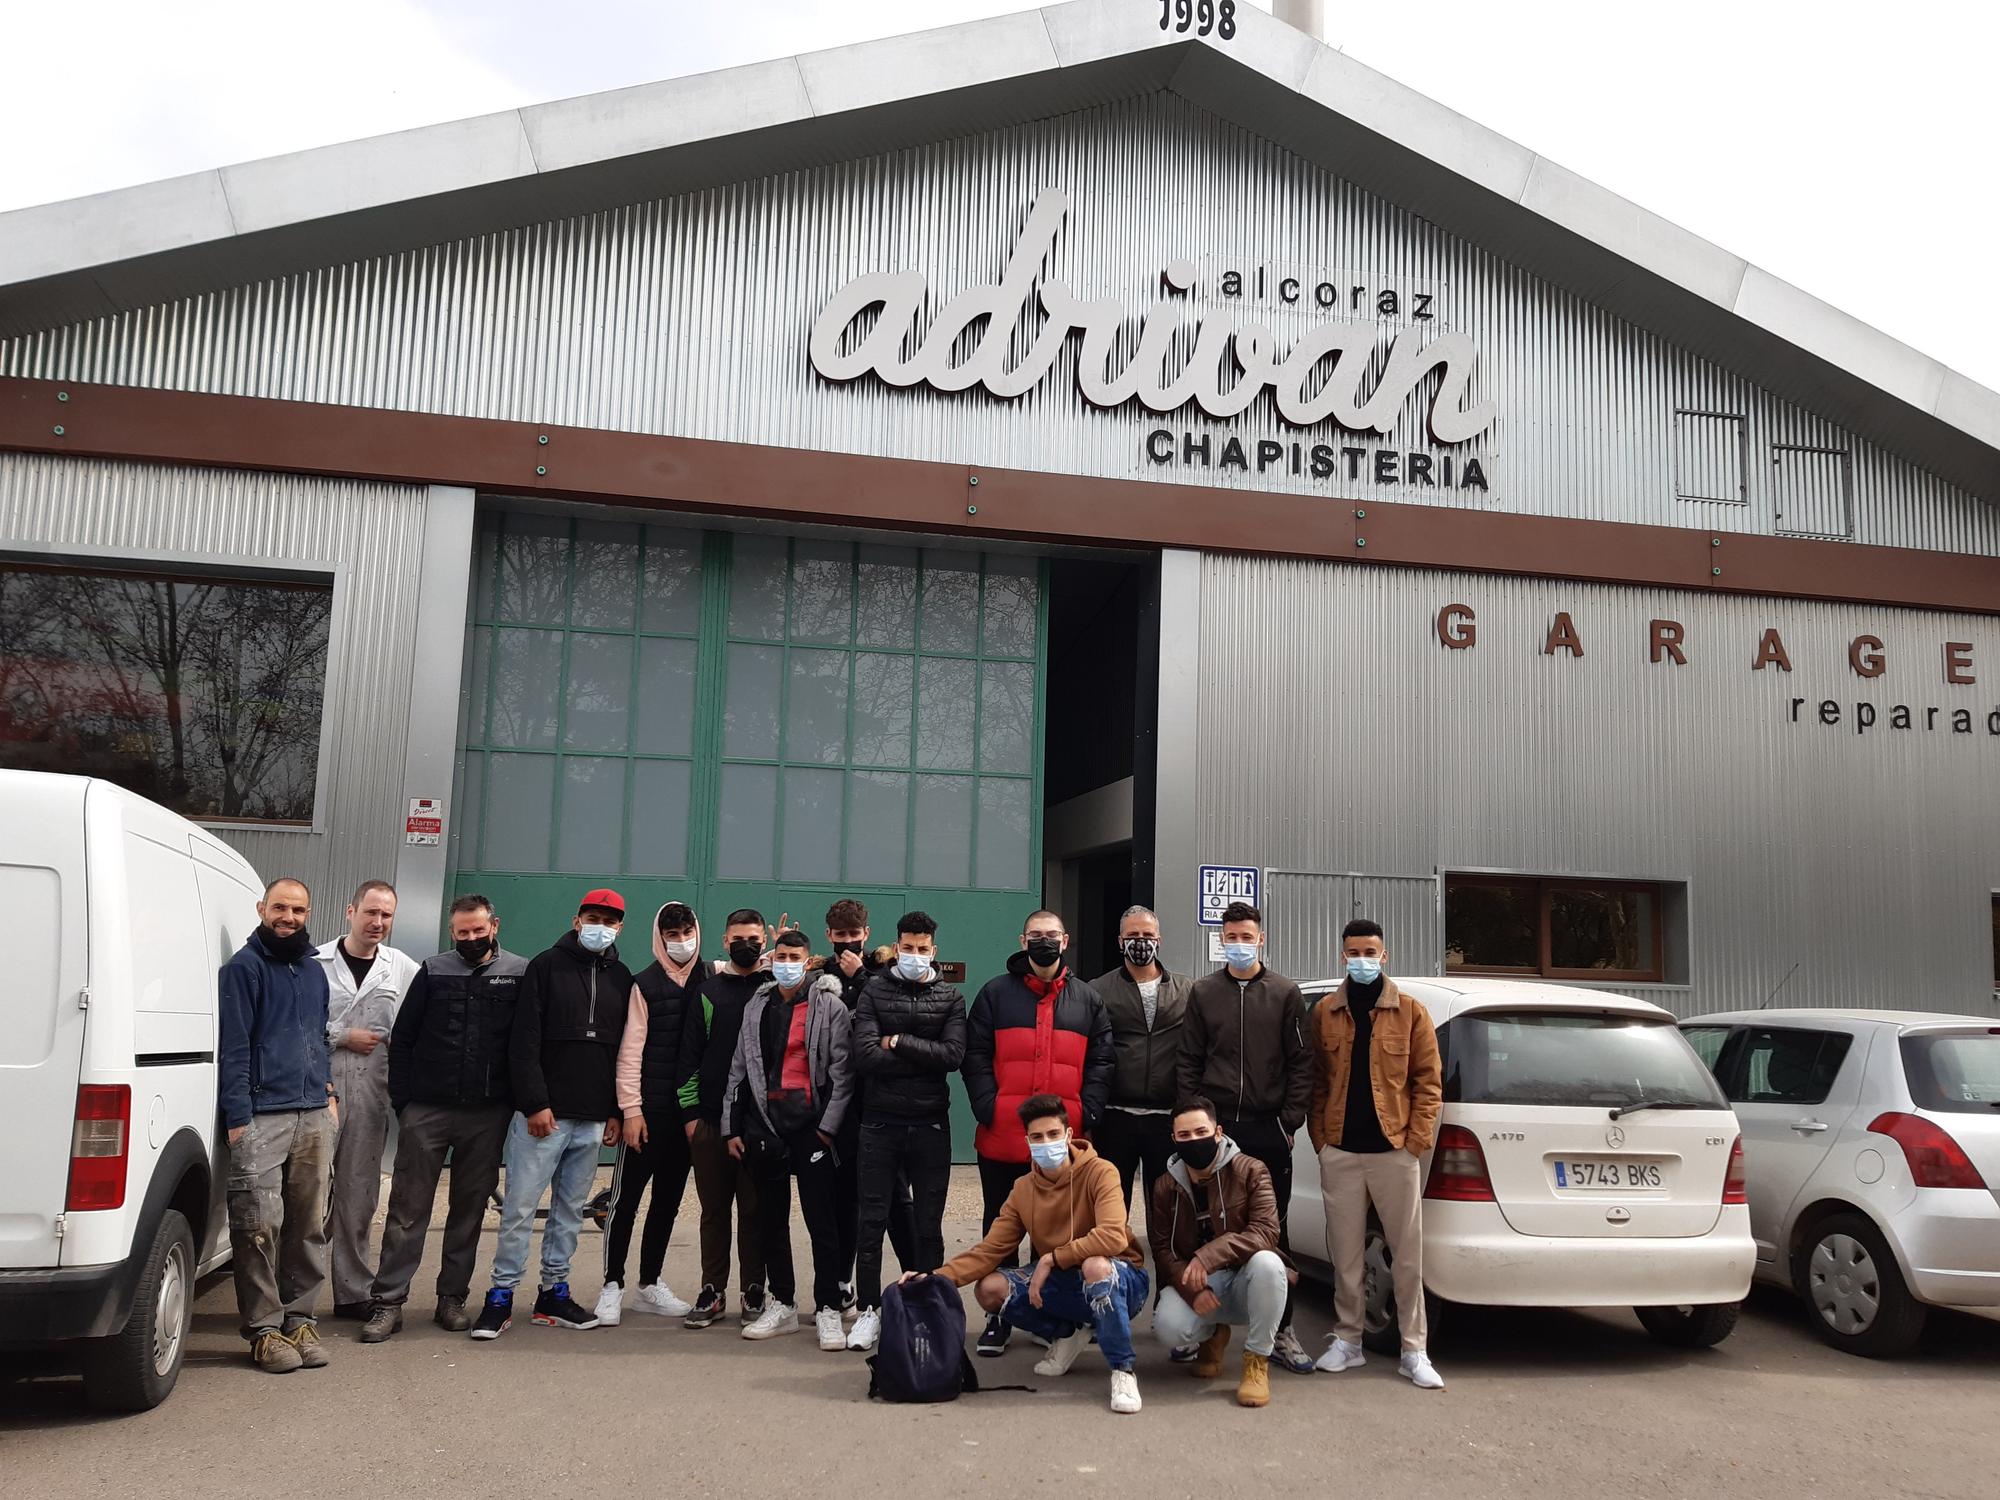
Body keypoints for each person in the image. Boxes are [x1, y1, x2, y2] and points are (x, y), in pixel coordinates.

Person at [917, 1095, 1147, 1415]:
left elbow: (1111, 1235)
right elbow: (990, 1250)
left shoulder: (1100, 1172)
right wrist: (933, 1279)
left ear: (1068, 1135)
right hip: (1065, 1279)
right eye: (1037, 1138)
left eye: (1053, 1134)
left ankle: (1123, 1370)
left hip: (1122, 1276)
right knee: (990, 1289)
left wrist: (1052, 1258)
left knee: (1096, 1267)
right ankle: (1068, 1334)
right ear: (1027, 1142)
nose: (1046, 1143)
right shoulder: (1023, 1189)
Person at [360, 894, 523, 1342]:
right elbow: (405, 1039)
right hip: (427, 1112)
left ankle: (451, 1298)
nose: (471, 939)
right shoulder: (433, 971)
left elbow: (523, 1044)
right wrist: (405, 1105)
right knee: (408, 1212)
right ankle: (388, 1302)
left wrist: (510, 1104)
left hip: (487, 1116)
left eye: (478, 930)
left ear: (494, 925)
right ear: (452, 932)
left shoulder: (519, 974)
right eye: (462, 932)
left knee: (469, 1212)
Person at [470, 888, 632, 1340]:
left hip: (593, 1119)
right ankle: (499, 1297)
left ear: (620, 926)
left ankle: (553, 1294)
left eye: (610, 919)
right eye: (593, 917)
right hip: (544, 1117)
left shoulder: (622, 978)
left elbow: (623, 1051)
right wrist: (535, 1103)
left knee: (568, 1211)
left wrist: (616, 1112)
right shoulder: (544, 967)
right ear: (577, 919)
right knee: (520, 1209)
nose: (601, 925)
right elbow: (524, 1042)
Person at [961, 910, 1114, 1356]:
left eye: (1051, 935)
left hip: (1062, 1143)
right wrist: (989, 1107)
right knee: (1001, 1232)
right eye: (1035, 936)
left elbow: (1103, 1062)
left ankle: (1052, 1317)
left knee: (1060, 1235)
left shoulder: (1088, 1000)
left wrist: (1085, 1113)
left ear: (1065, 941)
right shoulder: (994, 994)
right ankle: (999, 1316)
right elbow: (974, 1056)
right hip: (1004, 1136)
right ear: (1022, 940)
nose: (1043, 942)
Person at [1177, 900, 1315, 1374]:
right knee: (1211, 1224)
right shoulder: (1204, 993)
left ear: (1261, 940)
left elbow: (1302, 1063)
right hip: (1217, 1129)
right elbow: (1189, 1060)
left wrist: (1288, 1121)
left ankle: (1281, 1332)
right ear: (1221, 940)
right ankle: (1209, 1331)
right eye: (1230, 937)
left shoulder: (1285, 993)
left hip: (1267, 1126)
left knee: (1274, 1231)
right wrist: (1194, 1120)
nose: (1238, 944)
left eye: (1246, 937)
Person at [1308, 918, 1445, 1389]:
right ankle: (1348, 1342)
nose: (1361, 960)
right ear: (1342, 956)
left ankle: (1414, 1349)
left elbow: (1429, 1083)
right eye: (1353, 952)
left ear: (1384, 956)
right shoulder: (1326, 1011)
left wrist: (1414, 1143)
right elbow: (1318, 1083)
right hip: (1341, 1151)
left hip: (1393, 1151)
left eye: (1370, 952)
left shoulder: (1411, 1012)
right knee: (1345, 1255)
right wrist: (1322, 1142)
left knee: (1406, 1256)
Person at [218, 876, 338, 1374]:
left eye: (299, 910)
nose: (289, 918)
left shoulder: (313, 972)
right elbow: (235, 1046)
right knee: (258, 1227)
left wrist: (328, 1094)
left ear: (308, 915)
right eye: (280, 908)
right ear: (262, 908)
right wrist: (238, 1116)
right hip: (262, 1118)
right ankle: (264, 1331)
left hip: (313, 1115)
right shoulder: (243, 969)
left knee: (308, 1225)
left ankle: (300, 1320)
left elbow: (319, 1037)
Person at [721, 929, 854, 1349]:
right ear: (771, 957)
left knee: (822, 1221)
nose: (787, 962)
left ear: (808, 959)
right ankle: (783, 1303)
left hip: (812, 1130)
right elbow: (739, 1068)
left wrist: (827, 1129)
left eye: (794, 955)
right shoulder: (755, 1005)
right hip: (765, 1126)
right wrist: (731, 1126)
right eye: (781, 954)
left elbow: (842, 1074)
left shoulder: (828, 1005)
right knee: (770, 1220)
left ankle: (829, 1308)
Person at [845, 910, 966, 1352]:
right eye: (908, 948)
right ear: (896, 948)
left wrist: (897, 1041)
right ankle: (869, 1311)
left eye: (923, 949)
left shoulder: (950, 997)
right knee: (871, 1221)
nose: (915, 956)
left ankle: (926, 1304)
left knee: (929, 1221)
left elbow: (952, 1055)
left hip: (931, 1123)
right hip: (880, 1122)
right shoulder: (875, 991)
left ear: (934, 951)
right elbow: (864, 1057)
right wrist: (921, 1053)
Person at [316, 879, 419, 1318]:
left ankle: (353, 1292)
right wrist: (341, 1036)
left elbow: (417, 1022)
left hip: (372, 1092)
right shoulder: (315, 962)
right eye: (370, 912)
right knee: (308, 1196)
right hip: (317, 1089)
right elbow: (294, 1025)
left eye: (386, 915)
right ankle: (295, 1298)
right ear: (350, 911)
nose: (377, 922)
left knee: (358, 1197)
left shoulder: (401, 967)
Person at [1148, 1096, 1293, 1408]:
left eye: (1201, 1132)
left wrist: (1208, 1255)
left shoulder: (1251, 1170)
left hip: (1246, 1279)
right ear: (1173, 1139)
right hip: (1203, 1284)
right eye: (1183, 1135)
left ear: (1218, 1132)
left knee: (1269, 1264)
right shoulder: (1164, 1185)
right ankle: (1213, 1337)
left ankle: (1257, 1360)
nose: (1193, 1141)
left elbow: (1267, 1231)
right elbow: (1162, 1248)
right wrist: (1191, 1291)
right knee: (1168, 1328)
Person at [597, 901, 703, 1326]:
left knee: (667, 1203)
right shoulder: (644, 984)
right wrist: (631, 1111)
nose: (681, 942)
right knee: (625, 1202)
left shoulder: (709, 977)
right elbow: (629, 1053)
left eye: (686, 933)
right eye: (672, 935)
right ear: (660, 938)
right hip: (647, 1116)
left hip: (686, 1118)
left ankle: (649, 1284)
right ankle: (612, 1284)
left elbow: (754, 966)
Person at [825, 896, 915, 1314]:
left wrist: (860, 976)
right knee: (844, 1198)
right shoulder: (818, 976)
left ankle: (916, 1277)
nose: (847, 942)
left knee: (895, 1196)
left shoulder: (882, 973)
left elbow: (891, 1021)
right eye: (840, 936)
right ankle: (842, 1282)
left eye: (854, 935)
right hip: (837, 1103)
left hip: (881, 1102)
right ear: (829, 936)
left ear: (867, 934)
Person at [681, 908, 770, 1329]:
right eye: (738, 938)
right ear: (724, 940)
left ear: (765, 942)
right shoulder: (707, 991)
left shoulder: (774, 990)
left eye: (753, 938)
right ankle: (712, 1290)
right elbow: (689, 1057)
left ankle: (754, 1289)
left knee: (755, 1212)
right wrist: (691, 1117)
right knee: (714, 1212)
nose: (746, 945)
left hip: (757, 1125)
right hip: (710, 1123)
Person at [1090, 904, 1192, 1212]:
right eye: (1132, 935)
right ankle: (1113, 1260)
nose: (1141, 941)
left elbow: (1197, 1050)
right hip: (1115, 1116)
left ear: (1159, 940)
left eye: (1148, 934)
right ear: (1120, 941)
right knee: (1111, 1206)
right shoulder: (1098, 990)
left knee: (1166, 1205)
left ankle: (1166, 1262)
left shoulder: (1187, 990)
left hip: (1165, 1116)